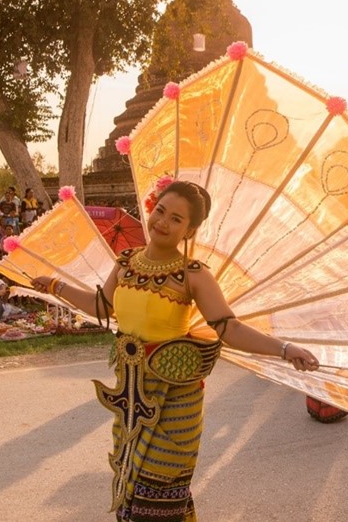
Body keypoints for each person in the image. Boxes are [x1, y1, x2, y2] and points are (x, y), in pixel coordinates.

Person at [31, 180, 318, 520]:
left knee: (161, 498)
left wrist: (284, 349)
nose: (163, 223)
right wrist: (55, 285)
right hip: (131, 398)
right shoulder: (125, 263)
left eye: (176, 219)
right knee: (132, 487)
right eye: (161, 211)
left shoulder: (193, 274)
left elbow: (229, 328)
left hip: (175, 401)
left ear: (190, 230)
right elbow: (102, 306)